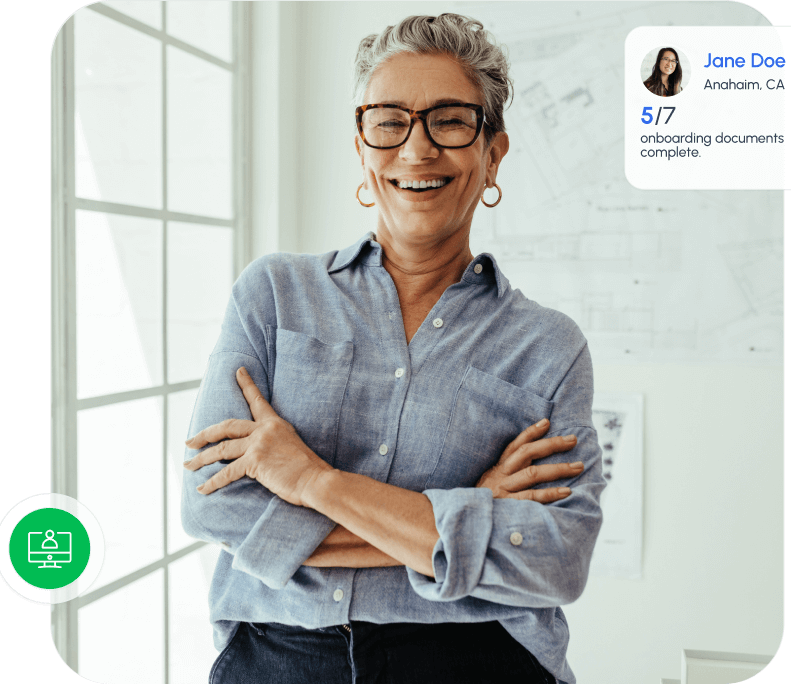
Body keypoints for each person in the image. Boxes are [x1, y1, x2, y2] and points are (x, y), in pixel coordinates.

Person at [181, 13, 605, 684]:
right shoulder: (272, 296)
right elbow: (214, 505)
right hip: (276, 658)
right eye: (389, 120)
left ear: (492, 152)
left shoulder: (546, 346)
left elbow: (554, 560)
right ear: (361, 144)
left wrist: (311, 482)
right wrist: (470, 511)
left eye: (450, 120)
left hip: (477, 663)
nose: (416, 149)